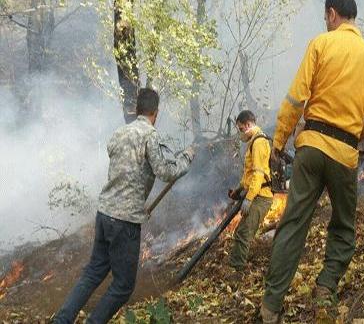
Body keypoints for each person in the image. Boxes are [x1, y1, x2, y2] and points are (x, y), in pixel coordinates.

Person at [259, 0, 364, 322]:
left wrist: (279, 141)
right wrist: (352, 135)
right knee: (343, 226)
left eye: (326, 18)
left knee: (293, 224)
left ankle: (270, 307)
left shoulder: (320, 44)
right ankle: (325, 288)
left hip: (311, 148)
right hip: (345, 154)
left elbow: (296, 98)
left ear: (332, 14)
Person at [53, 88, 196, 324]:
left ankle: (61, 321)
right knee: (123, 286)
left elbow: (118, 156)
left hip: (105, 213)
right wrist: (187, 156)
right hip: (124, 221)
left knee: (94, 272)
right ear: (156, 113)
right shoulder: (150, 136)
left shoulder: (120, 133)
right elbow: (166, 171)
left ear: (137, 109)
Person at [227, 110, 273, 273]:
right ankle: (236, 265)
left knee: (244, 233)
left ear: (248, 125)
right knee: (242, 231)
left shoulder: (259, 142)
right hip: (256, 194)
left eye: (240, 129)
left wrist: (248, 199)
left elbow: (259, 174)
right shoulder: (253, 141)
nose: (240, 133)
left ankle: (238, 271)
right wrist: (239, 190)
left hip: (261, 197)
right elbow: (249, 174)